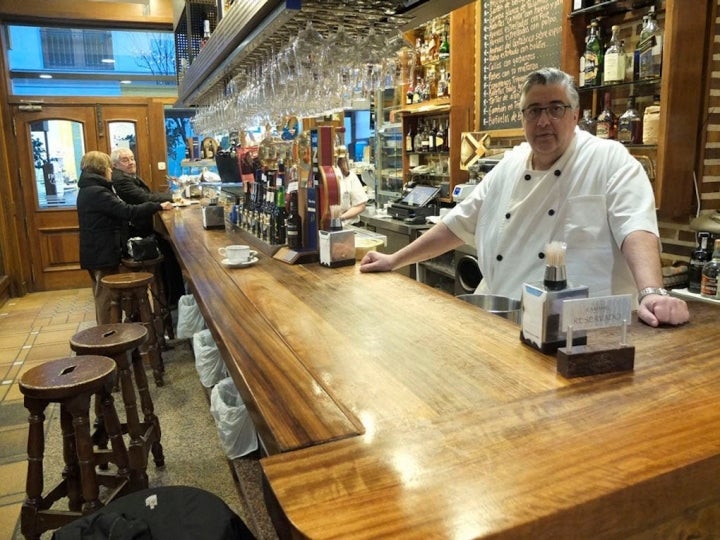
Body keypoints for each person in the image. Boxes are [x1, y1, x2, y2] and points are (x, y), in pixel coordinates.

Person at [360, 67, 689, 328]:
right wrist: (394, 260)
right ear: (523, 119)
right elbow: (456, 225)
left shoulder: (609, 159)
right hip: (502, 318)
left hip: (581, 330)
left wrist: (652, 293)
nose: (544, 121)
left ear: (575, 115)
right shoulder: (509, 165)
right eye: (534, 111)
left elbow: (636, 229)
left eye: (556, 109)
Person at [77, 150, 173, 324]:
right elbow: (127, 211)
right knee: (106, 298)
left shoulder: (91, 188)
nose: (111, 171)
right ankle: (109, 338)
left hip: (97, 250)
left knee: (103, 294)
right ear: (101, 169)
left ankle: (117, 335)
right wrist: (157, 205)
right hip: (102, 251)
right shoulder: (97, 192)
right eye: (108, 167)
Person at [111, 148, 185, 307]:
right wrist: (173, 197)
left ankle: (174, 300)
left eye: (132, 158)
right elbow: (143, 198)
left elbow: (146, 196)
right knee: (169, 254)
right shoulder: (120, 180)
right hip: (137, 234)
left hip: (141, 229)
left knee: (169, 250)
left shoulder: (126, 176)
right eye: (125, 160)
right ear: (115, 164)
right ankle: (173, 301)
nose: (131, 162)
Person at [334, 154, 368, 225]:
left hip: (348, 225)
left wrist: (340, 218)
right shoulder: (320, 176)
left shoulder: (350, 176)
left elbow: (360, 205)